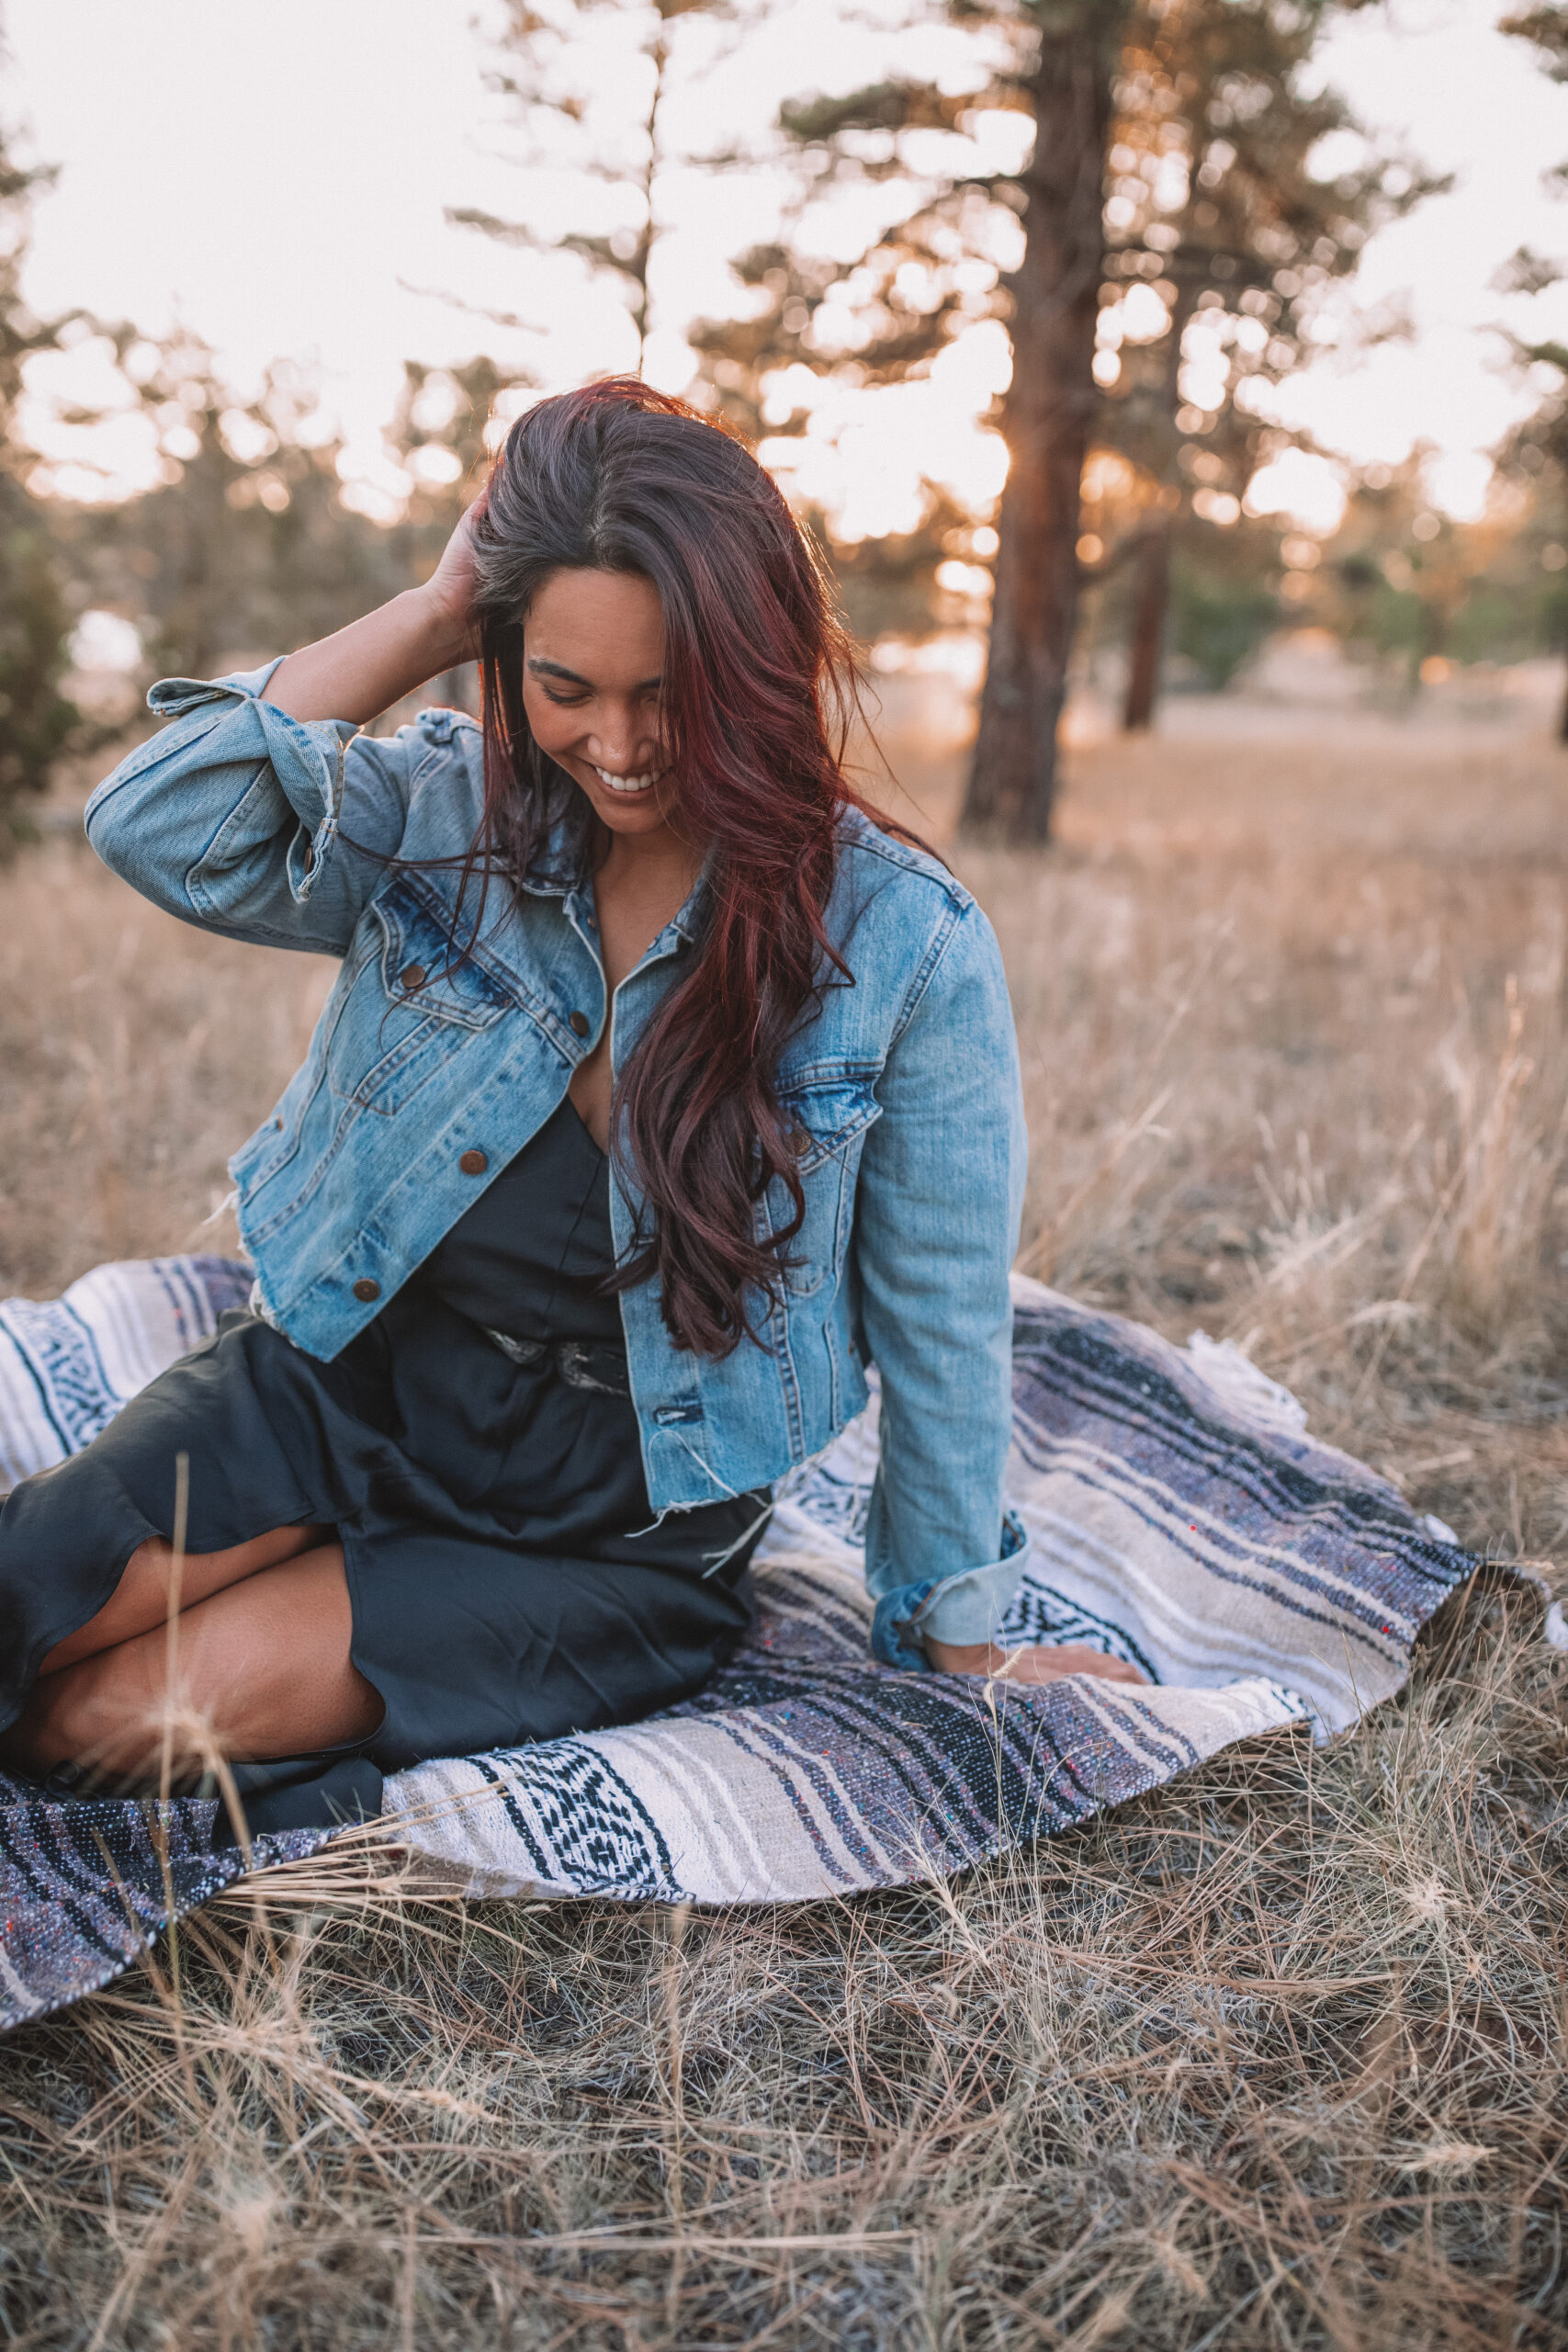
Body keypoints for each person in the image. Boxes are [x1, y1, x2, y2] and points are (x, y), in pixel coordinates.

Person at [0, 379, 1140, 1836]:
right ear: (508, 656)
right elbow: (156, 819)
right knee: (21, 1628)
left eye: (670, 690)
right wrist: (429, 612)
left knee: (104, 1721)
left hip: (623, 1527)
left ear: (756, 664)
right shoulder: (444, 818)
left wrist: (956, 1625)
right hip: (353, 1390)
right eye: (566, 686)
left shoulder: (903, 939)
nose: (620, 743)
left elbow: (944, 1310)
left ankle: (385, 1690)